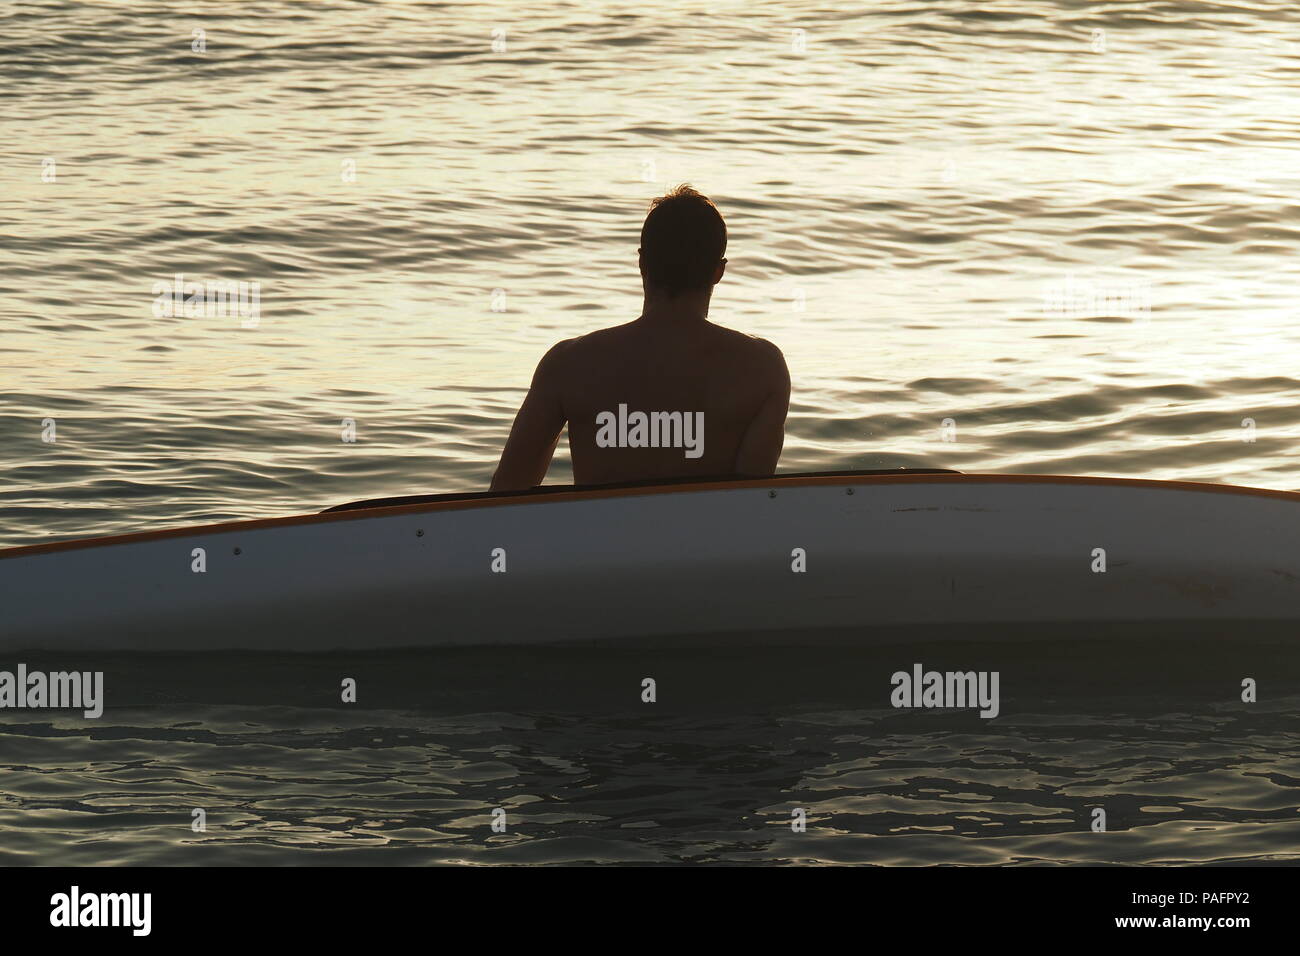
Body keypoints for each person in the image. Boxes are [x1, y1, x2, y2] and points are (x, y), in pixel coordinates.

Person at [490, 184, 790, 491]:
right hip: (707, 537)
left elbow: (506, 494)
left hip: (599, 538)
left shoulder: (568, 364)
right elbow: (752, 504)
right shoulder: (762, 368)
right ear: (718, 271)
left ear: (642, 263)